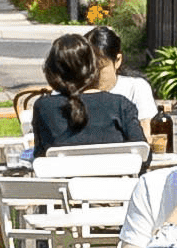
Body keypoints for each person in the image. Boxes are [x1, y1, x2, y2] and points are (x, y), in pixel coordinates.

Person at [14, 28, 148, 169]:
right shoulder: (120, 105)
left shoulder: (44, 107)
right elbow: (143, 156)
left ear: (51, 72)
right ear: (93, 68)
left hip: (63, 188)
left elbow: (40, 158)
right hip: (115, 188)